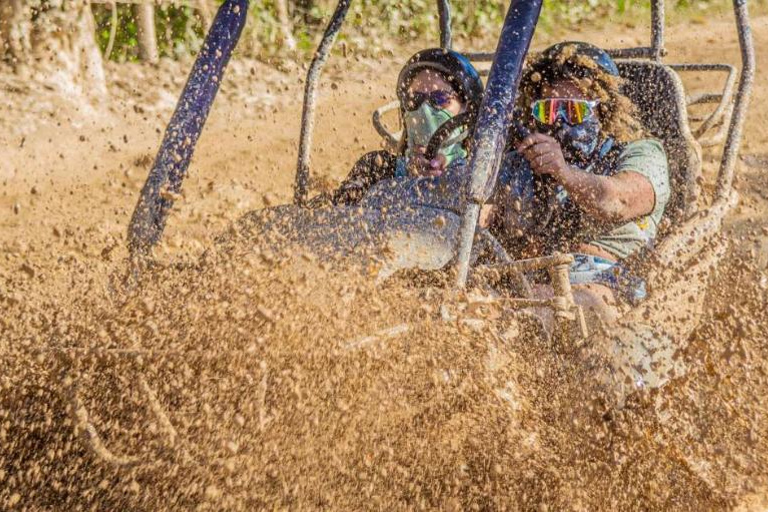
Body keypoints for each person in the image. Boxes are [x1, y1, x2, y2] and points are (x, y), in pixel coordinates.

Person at [491, 41, 671, 324]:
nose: (559, 121)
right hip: (528, 284)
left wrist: (564, 172)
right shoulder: (524, 161)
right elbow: (474, 206)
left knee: (561, 311)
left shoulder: (640, 152)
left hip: (610, 284)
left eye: (574, 112)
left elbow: (618, 201)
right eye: (547, 111)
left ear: (602, 110)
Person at [330, 48, 484, 206]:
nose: (424, 110)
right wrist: (409, 178)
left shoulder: (481, 177)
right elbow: (336, 218)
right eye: (414, 99)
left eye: (440, 99)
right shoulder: (376, 167)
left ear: (467, 109)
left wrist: (451, 179)